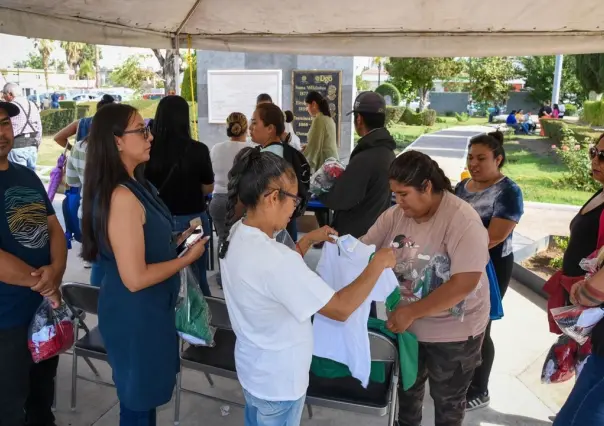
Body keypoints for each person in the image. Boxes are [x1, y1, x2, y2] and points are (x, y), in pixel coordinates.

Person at [218, 148, 396, 426]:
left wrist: (307, 241)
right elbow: (340, 308)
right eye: (294, 200)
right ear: (272, 197)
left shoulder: (238, 233)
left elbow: (274, 283)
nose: (295, 209)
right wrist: (377, 264)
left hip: (254, 370)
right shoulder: (276, 260)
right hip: (280, 383)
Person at [80, 103, 208, 426]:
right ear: (117, 141)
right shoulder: (121, 197)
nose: (149, 137)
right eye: (141, 130)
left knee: (145, 399)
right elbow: (135, 277)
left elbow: (146, 245)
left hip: (149, 311)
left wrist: (180, 241)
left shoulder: (138, 184)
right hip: (135, 316)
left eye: (147, 128)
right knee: (137, 404)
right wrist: (185, 260)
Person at [363, 150, 490, 426]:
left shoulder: (462, 220)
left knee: (448, 402)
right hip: (408, 329)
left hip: (454, 331)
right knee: (407, 394)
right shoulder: (396, 215)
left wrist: (412, 312)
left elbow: (464, 283)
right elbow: (364, 248)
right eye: (394, 194)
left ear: (427, 187)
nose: (398, 201)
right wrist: (339, 248)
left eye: (404, 194)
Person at [0, 100, 67, 426]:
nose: (1, 132)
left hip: (42, 314)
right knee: (10, 407)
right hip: (5, 321)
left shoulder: (25, 175)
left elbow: (53, 227)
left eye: (4, 123)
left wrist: (55, 270)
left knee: (42, 400)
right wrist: (42, 282)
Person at [454, 131, 524, 411]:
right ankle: (460, 378)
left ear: (498, 159)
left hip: (491, 267)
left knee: (481, 327)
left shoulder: (509, 191)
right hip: (459, 262)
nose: (474, 163)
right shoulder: (462, 187)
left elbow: (494, 236)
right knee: (458, 322)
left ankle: (480, 389)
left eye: (482, 158)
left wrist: (455, 239)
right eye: (470, 157)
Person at [544, 133, 604, 423]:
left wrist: (584, 290)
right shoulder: (600, 192)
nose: (595, 160)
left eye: (603, 156)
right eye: (594, 152)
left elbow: (594, 292)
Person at [145, 95, 215, 297]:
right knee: (197, 275)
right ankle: (200, 321)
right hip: (193, 223)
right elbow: (208, 187)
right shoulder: (198, 149)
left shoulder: (148, 150)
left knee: (164, 274)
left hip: (159, 223)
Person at [318, 91, 396, 238]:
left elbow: (340, 199)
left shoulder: (366, 157)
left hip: (355, 240)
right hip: (375, 233)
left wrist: (320, 189)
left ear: (359, 119)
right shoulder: (388, 152)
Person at [552, 249, 604, 425]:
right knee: (569, 416)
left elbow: (589, 295)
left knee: (586, 417)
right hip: (600, 354)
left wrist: (585, 288)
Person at [209, 112, 254, 285]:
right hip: (241, 201)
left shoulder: (216, 148)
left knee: (222, 239)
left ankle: (224, 278)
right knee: (243, 241)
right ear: (246, 128)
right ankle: (241, 279)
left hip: (218, 199)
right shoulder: (251, 149)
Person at [250, 102, 302, 241]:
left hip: (270, 227)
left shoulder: (267, 157)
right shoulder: (283, 150)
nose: (250, 128)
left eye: (255, 123)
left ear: (270, 129)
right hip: (285, 220)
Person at [2, 83, 42, 171]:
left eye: (4, 95)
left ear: (10, 94)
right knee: (31, 177)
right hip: (32, 145)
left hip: (17, 146)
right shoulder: (32, 104)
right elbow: (39, 126)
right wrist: (37, 144)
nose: (3, 98)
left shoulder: (10, 107)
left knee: (18, 179)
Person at [303, 91, 338, 172]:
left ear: (314, 104)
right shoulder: (328, 118)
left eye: (307, 105)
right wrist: (308, 146)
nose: (306, 109)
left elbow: (314, 148)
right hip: (332, 164)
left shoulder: (319, 119)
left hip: (326, 166)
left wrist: (299, 160)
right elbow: (321, 143)